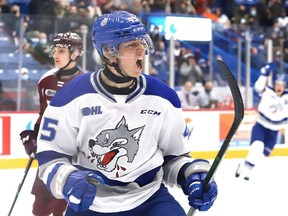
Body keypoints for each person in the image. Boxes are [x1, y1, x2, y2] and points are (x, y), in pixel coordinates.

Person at [36, 11, 217, 216]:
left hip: (150, 200)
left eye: (142, 42)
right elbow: (50, 158)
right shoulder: (70, 97)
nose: (142, 50)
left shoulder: (163, 97)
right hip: (91, 204)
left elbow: (173, 157)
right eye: (131, 45)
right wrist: (67, 180)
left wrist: (190, 175)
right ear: (108, 52)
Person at [19, 31, 84, 216]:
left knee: (62, 207)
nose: (56, 55)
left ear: (75, 53)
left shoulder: (87, 84)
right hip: (49, 152)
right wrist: (33, 136)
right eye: (55, 50)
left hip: (74, 156)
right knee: (39, 207)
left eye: (62, 50)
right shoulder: (46, 80)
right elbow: (43, 114)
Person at [235, 63, 288, 180]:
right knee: (257, 146)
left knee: (264, 154)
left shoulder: (287, 97)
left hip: (274, 130)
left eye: (282, 85)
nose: (279, 87)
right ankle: (247, 171)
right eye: (277, 84)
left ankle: (243, 165)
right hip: (261, 126)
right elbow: (257, 87)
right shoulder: (267, 91)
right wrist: (264, 74)